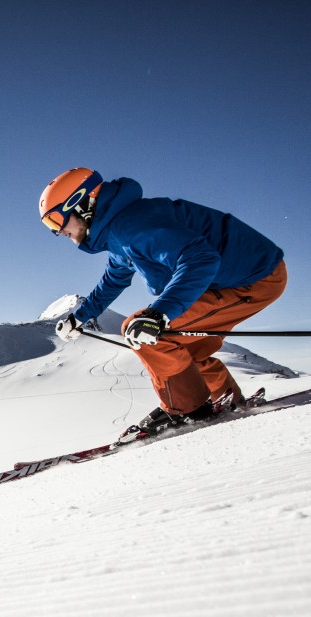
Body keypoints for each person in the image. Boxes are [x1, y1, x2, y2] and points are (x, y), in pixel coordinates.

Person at [41, 167, 286, 438]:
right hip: (236, 276)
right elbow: (114, 278)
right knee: (184, 354)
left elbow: (200, 259)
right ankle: (227, 400)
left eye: (55, 220)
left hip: (253, 277)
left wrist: (160, 314)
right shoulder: (120, 231)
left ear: (82, 204)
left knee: (153, 336)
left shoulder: (134, 225)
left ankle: (187, 410)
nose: (57, 231)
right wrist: (81, 315)